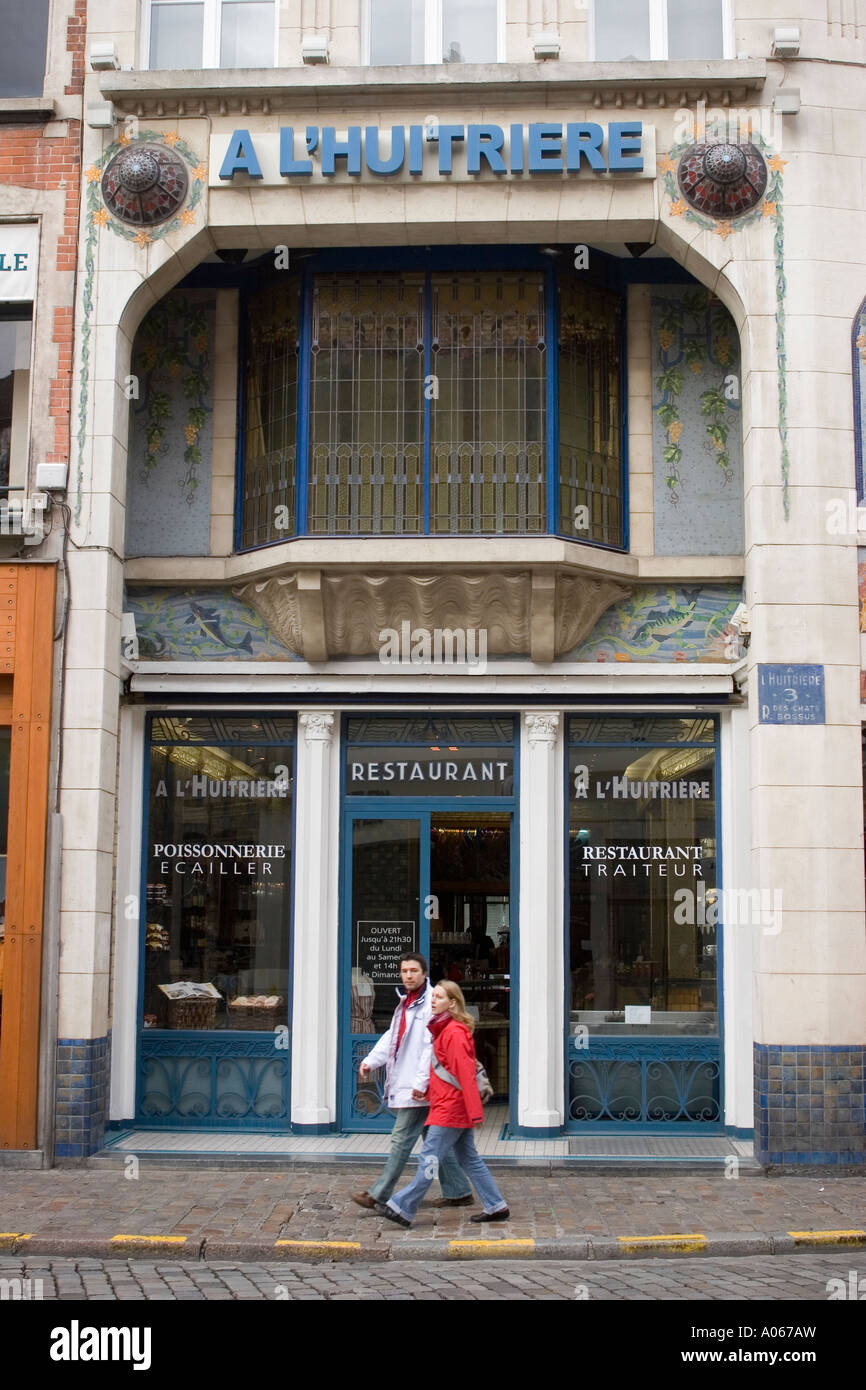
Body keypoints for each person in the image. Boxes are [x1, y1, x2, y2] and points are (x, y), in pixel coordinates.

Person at [374, 979, 509, 1228]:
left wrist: (475, 1113)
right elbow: (445, 1073)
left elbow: (465, 1075)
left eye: (438, 997)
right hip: (448, 1106)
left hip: (450, 1110)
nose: (433, 1000)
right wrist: (426, 1091)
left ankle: (403, 1207)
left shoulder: (453, 1033)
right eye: (433, 996)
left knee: (429, 1159)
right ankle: (496, 1204)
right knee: (469, 1159)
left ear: (452, 1003)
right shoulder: (443, 1029)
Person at [351, 953, 473, 1211]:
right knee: (435, 1140)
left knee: (401, 1138)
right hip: (416, 1084)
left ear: (424, 973)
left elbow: (431, 1047)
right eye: (404, 970)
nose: (408, 975)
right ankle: (459, 1190)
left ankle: (378, 1194)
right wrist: (372, 1060)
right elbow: (392, 1036)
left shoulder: (431, 1003)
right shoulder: (406, 1002)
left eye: (413, 971)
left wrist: (421, 1082)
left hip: (420, 1087)